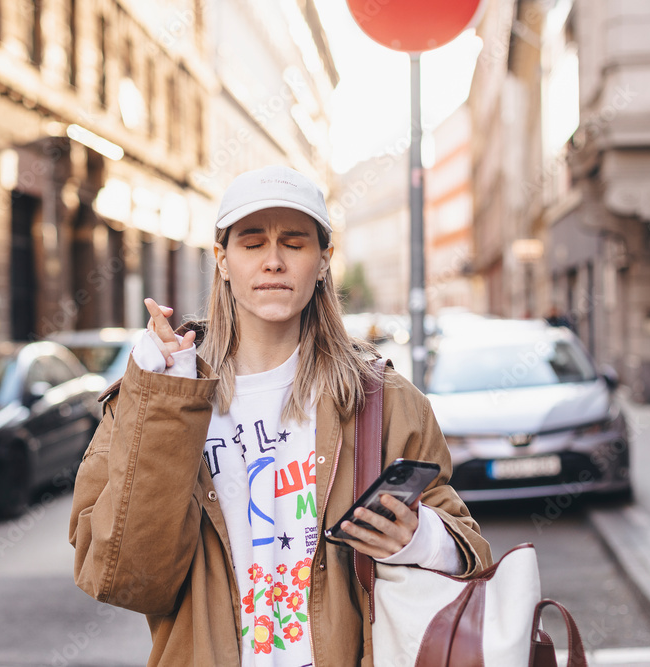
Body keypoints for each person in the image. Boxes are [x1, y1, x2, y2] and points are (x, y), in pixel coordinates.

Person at [69, 165, 492, 666]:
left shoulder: (384, 398)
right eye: (252, 244)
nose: (273, 261)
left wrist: (417, 538)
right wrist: (165, 400)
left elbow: (471, 551)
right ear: (222, 261)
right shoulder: (157, 400)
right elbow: (126, 579)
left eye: (294, 243)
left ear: (323, 261)